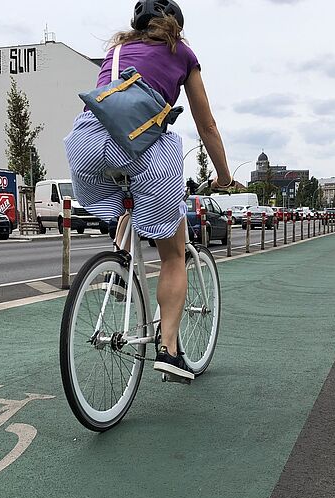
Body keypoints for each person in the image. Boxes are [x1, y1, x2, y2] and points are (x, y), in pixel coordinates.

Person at [64, 0, 238, 381]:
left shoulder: (116, 51)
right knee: (174, 254)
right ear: (175, 26)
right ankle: (169, 349)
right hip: (144, 152)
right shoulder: (182, 54)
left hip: (85, 145)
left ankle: (120, 266)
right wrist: (224, 176)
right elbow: (206, 125)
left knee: (126, 203)